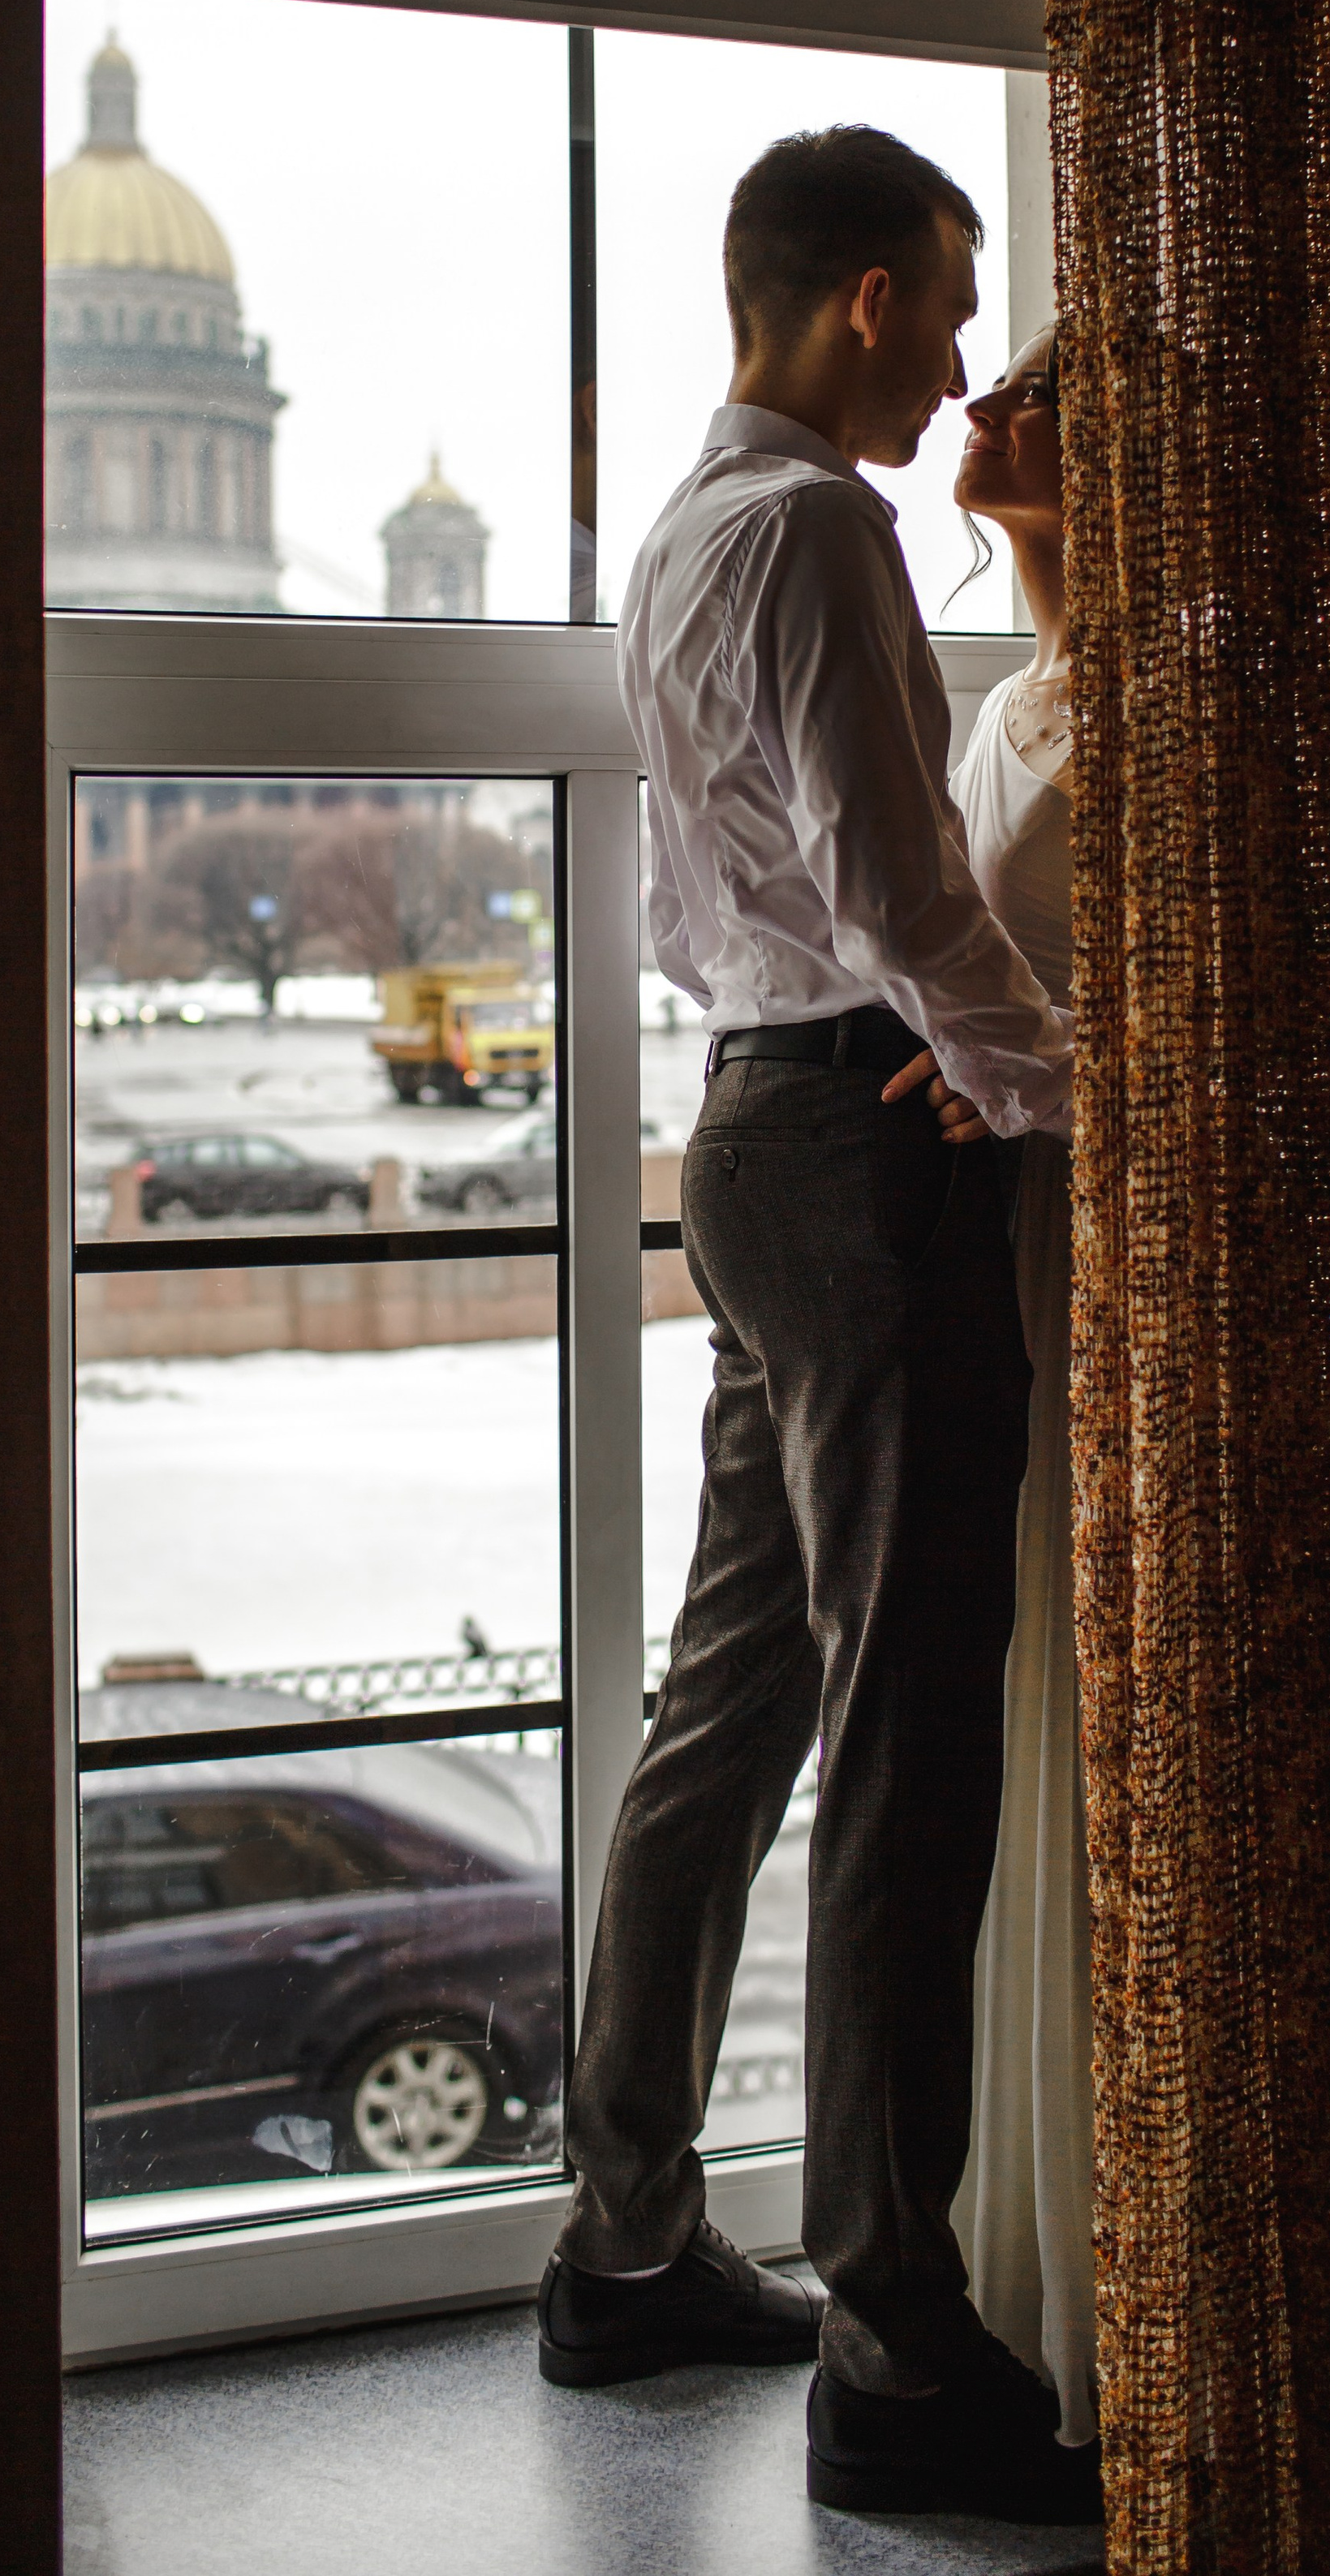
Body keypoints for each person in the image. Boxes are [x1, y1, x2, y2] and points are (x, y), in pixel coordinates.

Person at [536, 127, 1100, 2530]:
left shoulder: (681, 527)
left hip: (754, 1134)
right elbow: (902, 882)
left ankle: (629, 2235)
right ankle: (893, 2330)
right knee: (907, 1729)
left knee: (732, 1699)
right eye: (951, 312)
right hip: (864, 1164)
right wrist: (1082, 1082)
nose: (961, 362)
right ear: (867, 297)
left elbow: (730, 898)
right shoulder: (816, 528)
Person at [942, 327, 1097, 2450]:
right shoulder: (1006, 712)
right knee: (1008, 1712)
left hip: (1106, 1278)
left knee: (1081, 1699)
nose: (985, 404)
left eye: (1047, 384)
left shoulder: (1168, 716)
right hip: (999, 1276)